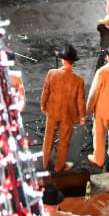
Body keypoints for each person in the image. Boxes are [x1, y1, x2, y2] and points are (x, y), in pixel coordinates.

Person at [40, 42, 87, 173]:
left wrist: (43, 105)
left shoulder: (52, 73)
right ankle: (59, 166)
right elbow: (80, 100)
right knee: (64, 141)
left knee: (48, 137)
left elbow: (46, 92)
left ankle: (45, 162)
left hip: (53, 111)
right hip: (68, 114)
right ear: (73, 62)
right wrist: (82, 116)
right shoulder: (79, 80)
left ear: (62, 60)